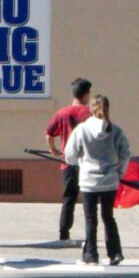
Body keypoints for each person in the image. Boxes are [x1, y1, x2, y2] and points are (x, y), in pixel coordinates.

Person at [64, 94, 131, 266]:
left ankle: (91, 255)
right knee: (108, 217)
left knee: (90, 218)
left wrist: (77, 161)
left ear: (91, 108)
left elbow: (70, 154)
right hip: (109, 180)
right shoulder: (115, 131)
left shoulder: (82, 129)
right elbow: (125, 153)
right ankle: (115, 253)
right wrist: (120, 172)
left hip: (88, 181)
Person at [44, 78, 95, 243]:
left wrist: (53, 150)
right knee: (90, 199)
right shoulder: (90, 114)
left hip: (67, 162)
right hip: (87, 162)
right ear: (86, 95)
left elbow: (49, 135)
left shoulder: (62, 113)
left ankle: (64, 232)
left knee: (69, 198)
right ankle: (91, 234)